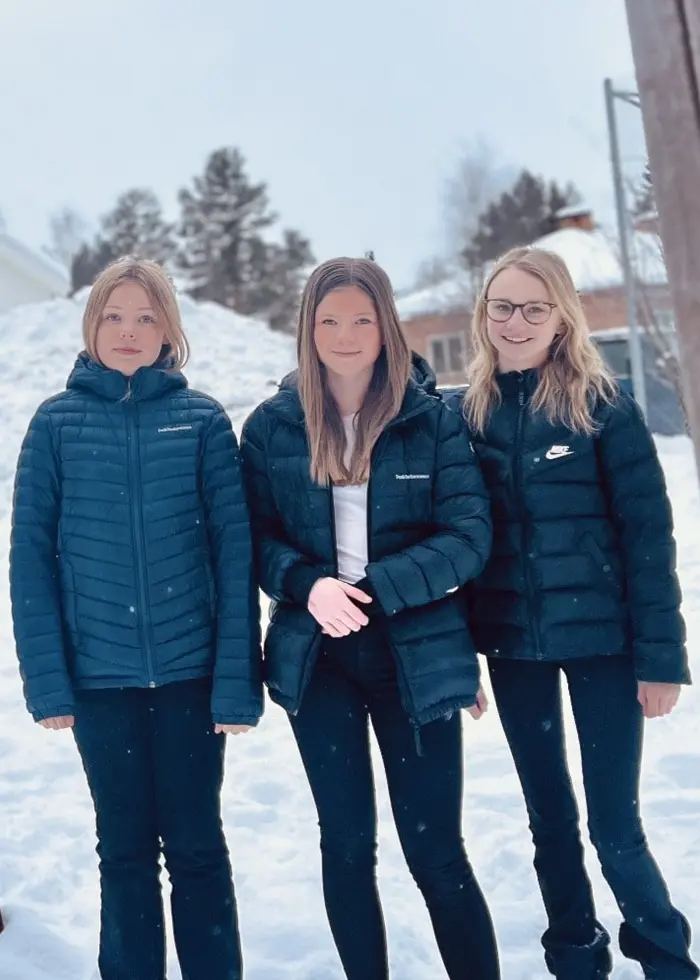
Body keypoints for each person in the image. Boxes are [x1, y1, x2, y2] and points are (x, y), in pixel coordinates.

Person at [240, 256, 500, 980]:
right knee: (347, 845)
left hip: (414, 653)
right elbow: (253, 538)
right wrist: (308, 584)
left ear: (385, 325)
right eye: (329, 320)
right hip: (319, 660)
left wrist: (377, 587)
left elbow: (469, 536)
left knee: (435, 850)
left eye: (361, 319)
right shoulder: (271, 429)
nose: (346, 335)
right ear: (307, 329)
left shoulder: (432, 421)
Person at [446, 245, 697, 980]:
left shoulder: (604, 407)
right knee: (550, 822)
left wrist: (661, 658)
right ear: (483, 316)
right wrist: (462, 657)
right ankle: (576, 957)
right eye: (502, 306)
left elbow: (649, 537)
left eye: (534, 306)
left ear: (562, 316)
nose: (516, 321)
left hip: (605, 647)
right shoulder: (469, 415)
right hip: (515, 650)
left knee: (614, 825)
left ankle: (666, 958)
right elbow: (462, 541)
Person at [10, 257, 262, 980]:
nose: (129, 331)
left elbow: (233, 555)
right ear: (92, 326)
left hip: (190, 678)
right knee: (122, 852)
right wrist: (50, 684)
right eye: (114, 316)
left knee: (196, 848)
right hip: (99, 683)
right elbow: (31, 559)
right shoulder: (55, 426)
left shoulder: (203, 422)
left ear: (168, 330)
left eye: (145, 317)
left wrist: (236, 683)